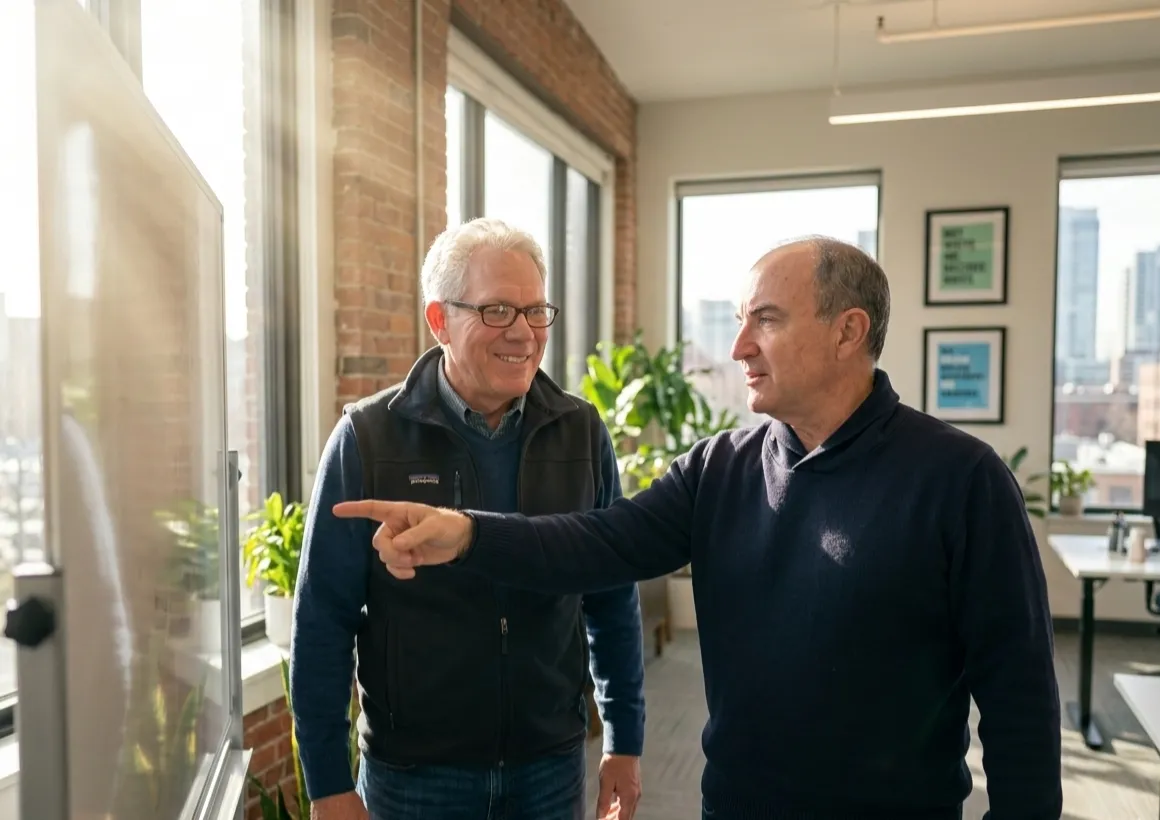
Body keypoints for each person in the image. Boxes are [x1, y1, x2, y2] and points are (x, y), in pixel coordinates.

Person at [334, 237, 1065, 820]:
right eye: (741, 321)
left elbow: (1019, 692)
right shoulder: (721, 467)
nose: (739, 345)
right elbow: (601, 543)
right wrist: (466, 534)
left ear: (848, 332)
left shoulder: (958, 479)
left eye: (766, 320)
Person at [290, 217, 647, 820]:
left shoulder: (581, 431)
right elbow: (323, 620)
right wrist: (327, 782)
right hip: (415, 776)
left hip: (550, 765)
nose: (525, 334)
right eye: (498, 311)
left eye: (536, 311)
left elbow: (611, 598)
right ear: (439, 320)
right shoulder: (367, 438)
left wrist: (625, 740)